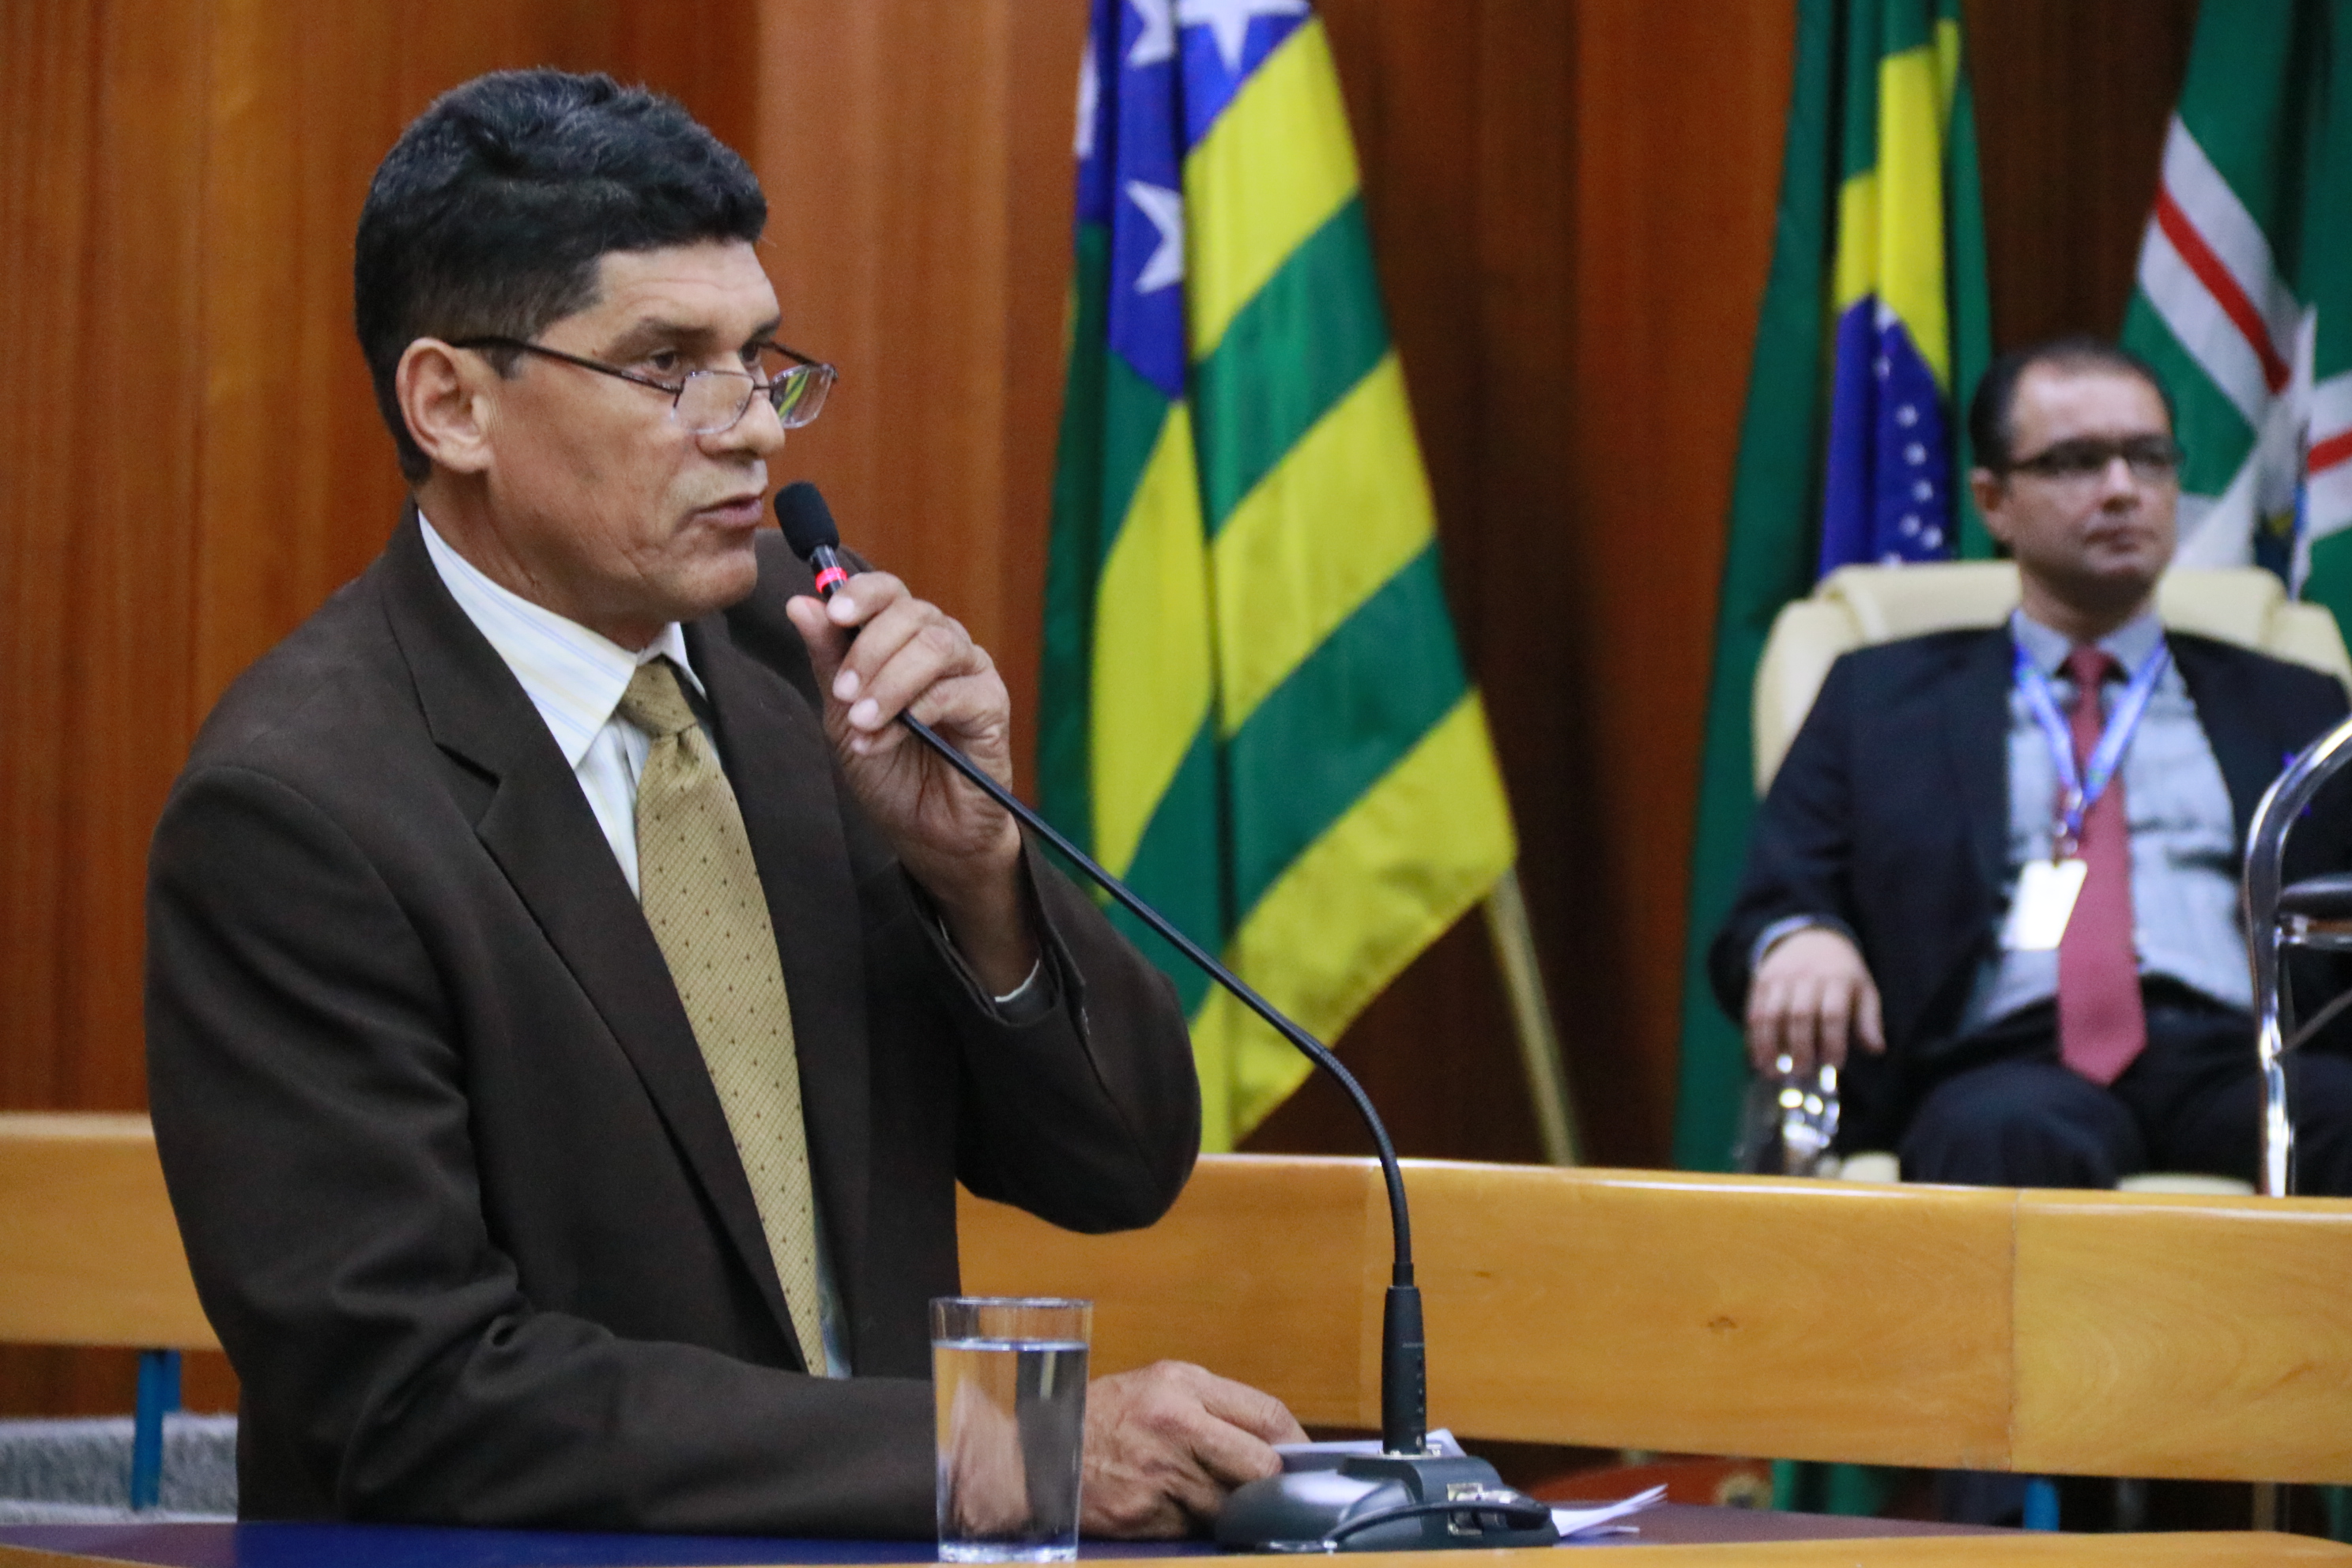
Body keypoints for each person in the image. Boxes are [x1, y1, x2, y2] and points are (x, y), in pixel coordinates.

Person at [145, 69, 1304, 1537]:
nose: (755, 426)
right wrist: (986, 1448)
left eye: (759, 359)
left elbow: (1118, 1165)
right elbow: (413, 1399)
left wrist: (979, 876)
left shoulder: (798, 661)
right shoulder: (298, 810)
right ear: (451, 404)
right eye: (668, 365)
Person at [1712, 335, 2352, 1193]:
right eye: (2076, 462)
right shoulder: (1878, 699)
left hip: (2245, 1053)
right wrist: (1801, 938)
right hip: (2003, 1060)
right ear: (1994, 500)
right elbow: (1776, 895)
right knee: (2005, 1136)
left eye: (2148, 458)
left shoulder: (2295, 701)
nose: (2122, 489)